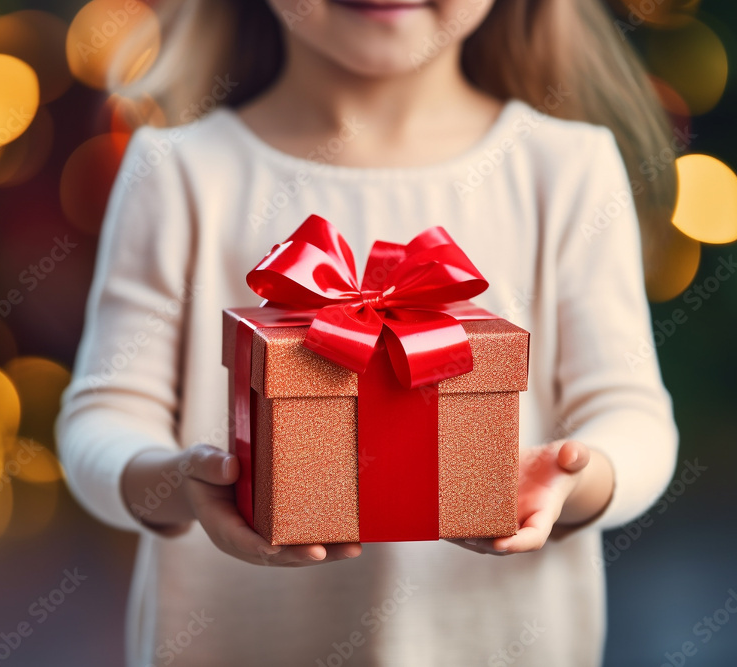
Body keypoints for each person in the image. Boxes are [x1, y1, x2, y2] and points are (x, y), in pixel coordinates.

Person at [57, 0, 679, 664]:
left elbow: (630, 413)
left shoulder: (568, 169)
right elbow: (104, 415)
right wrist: (178, 479)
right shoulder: (177, 173)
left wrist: (570, 481)